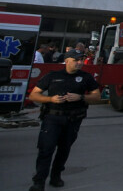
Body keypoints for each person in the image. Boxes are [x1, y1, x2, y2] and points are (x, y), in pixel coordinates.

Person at [28, 49, 100, 191]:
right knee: (46, 149)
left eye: (81, 60)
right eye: (76, 60)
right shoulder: (53, 76)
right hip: (53, 118)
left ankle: (56, 176)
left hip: (73, 119)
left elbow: (97, 97)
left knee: (64, 149)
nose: (80, 63)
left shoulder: (86, 77)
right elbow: (34, 95)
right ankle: (39, 181)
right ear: (67, 61)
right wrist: (50, 99)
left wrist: (81, 97)